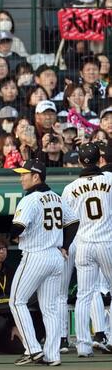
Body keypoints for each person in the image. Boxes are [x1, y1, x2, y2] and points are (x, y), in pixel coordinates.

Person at [10, 159, 79, 366]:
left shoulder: (29, 200)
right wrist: (65, 245)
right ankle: (53, 355)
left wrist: (11, 237)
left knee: (16, 301)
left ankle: (32, 348)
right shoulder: (56, 198)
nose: (21, 178)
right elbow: (74, 221)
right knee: (50, 308)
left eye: (25, 174)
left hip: (35, 255)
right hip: (56, 257)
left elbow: (17, 227)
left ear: (36, 177)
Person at [62, 143, 112, 356]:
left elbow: (65, 221)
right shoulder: (109, 179)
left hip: (83, 244)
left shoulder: (70, 188)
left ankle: (83, 345)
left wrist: (65, 245)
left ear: (81, 161)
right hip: (107, 242)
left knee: (84, 294)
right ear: (100, 160)